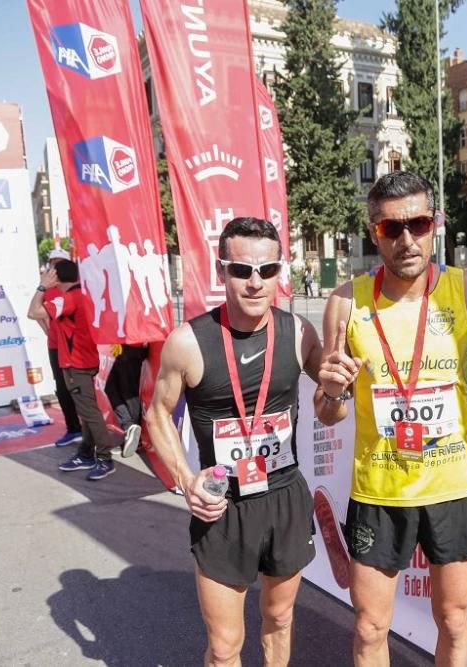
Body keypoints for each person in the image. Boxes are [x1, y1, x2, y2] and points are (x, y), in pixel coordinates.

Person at [316, 171, 467, 666]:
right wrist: (334, 392)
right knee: (369, 627)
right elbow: (327, 412)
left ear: (437, 224)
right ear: (372, 229)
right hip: (379, 492)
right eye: (390, 229)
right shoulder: (345, 302)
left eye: (419, 223)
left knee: (453, 620)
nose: (407, 239)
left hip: (453, 485)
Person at [146, 217, 323, 667]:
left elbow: (331, 403)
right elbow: (157, 414)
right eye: (241, 270)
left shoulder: (300, 334)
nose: (255, 282)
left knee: (280, 619)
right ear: (220, 270)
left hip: (284, 500)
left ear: (281, 270)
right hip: (223, 507)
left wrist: (341, 387)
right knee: (225, 647)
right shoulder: (188, 341)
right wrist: (186, 480)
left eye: (267, 270)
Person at [28, 259, 117, 480]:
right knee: (86, 412)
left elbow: (33, 312)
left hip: (77, 364)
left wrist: (42, 287)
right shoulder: (80, 295)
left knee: (90, 413)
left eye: (50, 274)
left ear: (56, 278)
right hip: (83, 361)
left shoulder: (69, 298)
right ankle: (87, 453)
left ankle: (105, 459)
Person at [31, 247, 83, 448]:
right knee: (61, 388)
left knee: (77, 389)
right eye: (54, 263)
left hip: (73, 346)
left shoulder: (71, 289)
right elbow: (35, 313)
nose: (56, 267)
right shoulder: (47, 289)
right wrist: (47, 330)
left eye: (60, 263)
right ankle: (73, 428)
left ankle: (88, 433)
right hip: (55, 344)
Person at [105, 343, 147, 457]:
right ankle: (130, 429)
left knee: (129, 395)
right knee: (110, 388)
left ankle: (134, 437)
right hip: (124, 345)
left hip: (133, 346)